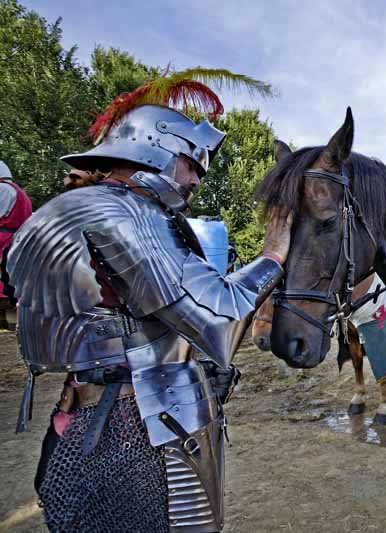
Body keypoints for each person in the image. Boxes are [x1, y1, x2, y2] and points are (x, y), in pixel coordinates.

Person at [7, 81, 291, 532]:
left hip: (84, 416)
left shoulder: (65, 208)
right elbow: (219, 321)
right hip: (129, 429)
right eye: (192, 165)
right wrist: (274, 253)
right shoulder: (127, 213)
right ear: (155, 151)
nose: (198, 179)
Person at [0, 160, 32, 330]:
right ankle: (12, 324)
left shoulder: (3, 189)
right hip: (13, 239)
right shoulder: (17, 190)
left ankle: (13, 325)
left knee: (6, 285)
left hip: (4, 240)